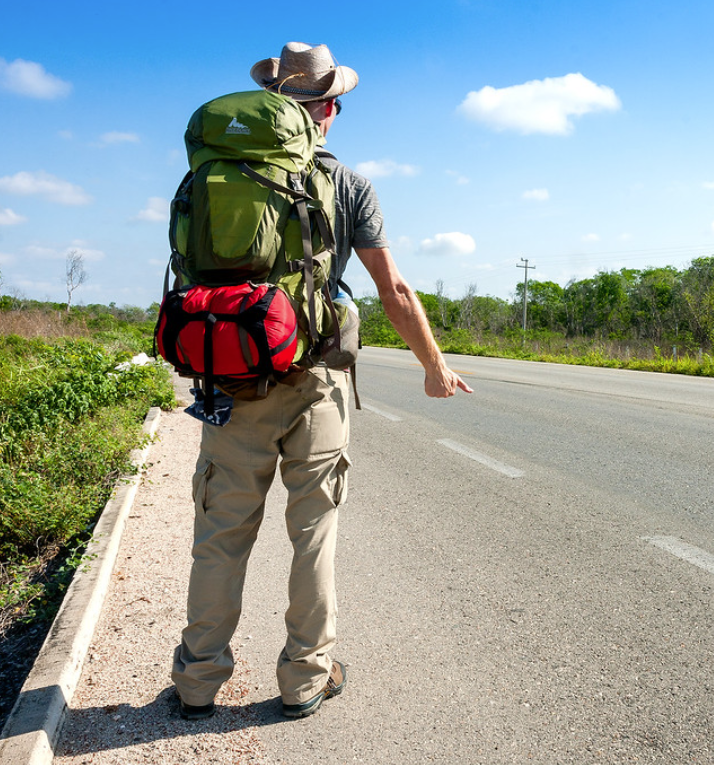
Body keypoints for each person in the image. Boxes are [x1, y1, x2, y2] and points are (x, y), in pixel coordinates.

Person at [171, 42, 472, 721]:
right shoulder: (348, 184)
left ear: (275, 101)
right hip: (319, 372)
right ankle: (305, 677)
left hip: (230, 375)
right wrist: (434, 365)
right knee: (314, 529)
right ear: (328, 109)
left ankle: (196, 682)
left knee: (221, 530)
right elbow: (390, 287)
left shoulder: (206, 179)